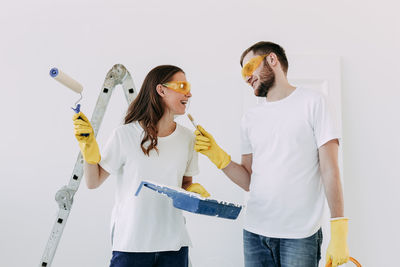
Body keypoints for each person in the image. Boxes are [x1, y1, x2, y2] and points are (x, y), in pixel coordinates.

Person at [194, 41, 349, 267]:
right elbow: (248, 180)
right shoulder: (250, 119)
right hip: (255, 233)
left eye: (249, 68)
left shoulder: (313, 103)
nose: (247, 78)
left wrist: (339, 228)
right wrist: (217, 155)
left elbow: (329, 169)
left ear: (272, 59)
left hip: (300, 236)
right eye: (243, 74)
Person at [73, 65, 210, 267]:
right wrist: (88, 150)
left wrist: (192, 191)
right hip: (131, 247)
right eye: (182, 86)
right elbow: (93, 182)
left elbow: (185, 183)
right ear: (161, 90)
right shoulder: (125, 134)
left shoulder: (188, 138)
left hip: (174, 246)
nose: (188, 93)